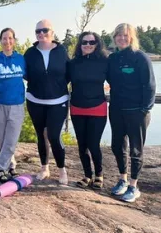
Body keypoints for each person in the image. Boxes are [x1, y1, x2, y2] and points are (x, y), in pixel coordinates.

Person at [107, 23, 156, 202]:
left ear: (132, 37)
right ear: (114, 38)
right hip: (116, 109)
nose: (122, 38)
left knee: (136, 149)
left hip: (137, 112)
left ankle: (134, 186)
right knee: (117, 146)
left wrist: (145, 108)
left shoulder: (140, 57)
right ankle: (122, 179)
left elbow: (150, 85)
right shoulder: (113, 58)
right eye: (118, 35)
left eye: (125, 35)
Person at [24, 19, 69, 184]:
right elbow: (25, 74)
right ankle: (44, 168)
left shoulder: (62, 51)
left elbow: (68, 73)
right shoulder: (30, 53)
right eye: (38, 31)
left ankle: (62, 170)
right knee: (41, 135)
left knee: (54, 136)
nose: (41, 34)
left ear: (52, 32)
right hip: (35, 100)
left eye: (45, 30)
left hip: (58, 101)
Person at [69, 32, 108, 189]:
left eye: (92, 42)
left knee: (93, 144)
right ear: (80, 44)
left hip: (97, 107)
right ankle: (87, 175)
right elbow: (59, 80)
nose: (88, 45)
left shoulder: (104, 62)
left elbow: (118, 80)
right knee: (82, 145)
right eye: (84, 42)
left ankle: (99, 174)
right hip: (77, 108)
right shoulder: (72, 63)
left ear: (97, 44)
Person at [0, 28, 25, 183]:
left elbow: (33, 77)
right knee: (4, 138)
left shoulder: (21, 60)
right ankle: (11, 166)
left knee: (11, 138)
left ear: (14, 40)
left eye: (10, 38)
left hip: (17, 105)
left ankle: (1, 168)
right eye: (4, 38)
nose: (7, 41)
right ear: (0, 40)